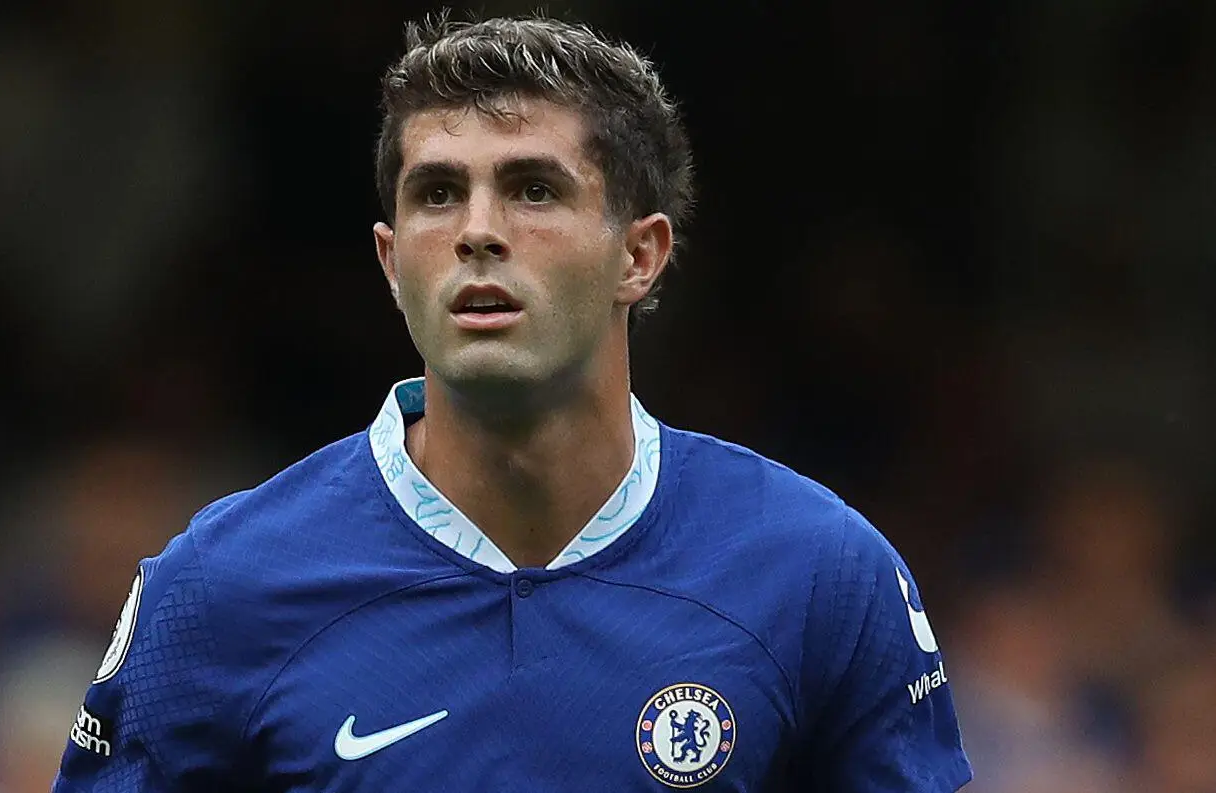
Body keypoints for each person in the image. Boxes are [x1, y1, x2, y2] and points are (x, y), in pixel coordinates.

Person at [52, 12, 972, 792]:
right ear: (390, 260)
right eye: (438, 194)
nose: (478, 233)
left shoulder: (818, 573)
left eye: (534, 189)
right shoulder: (218, 589)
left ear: (639, 255)